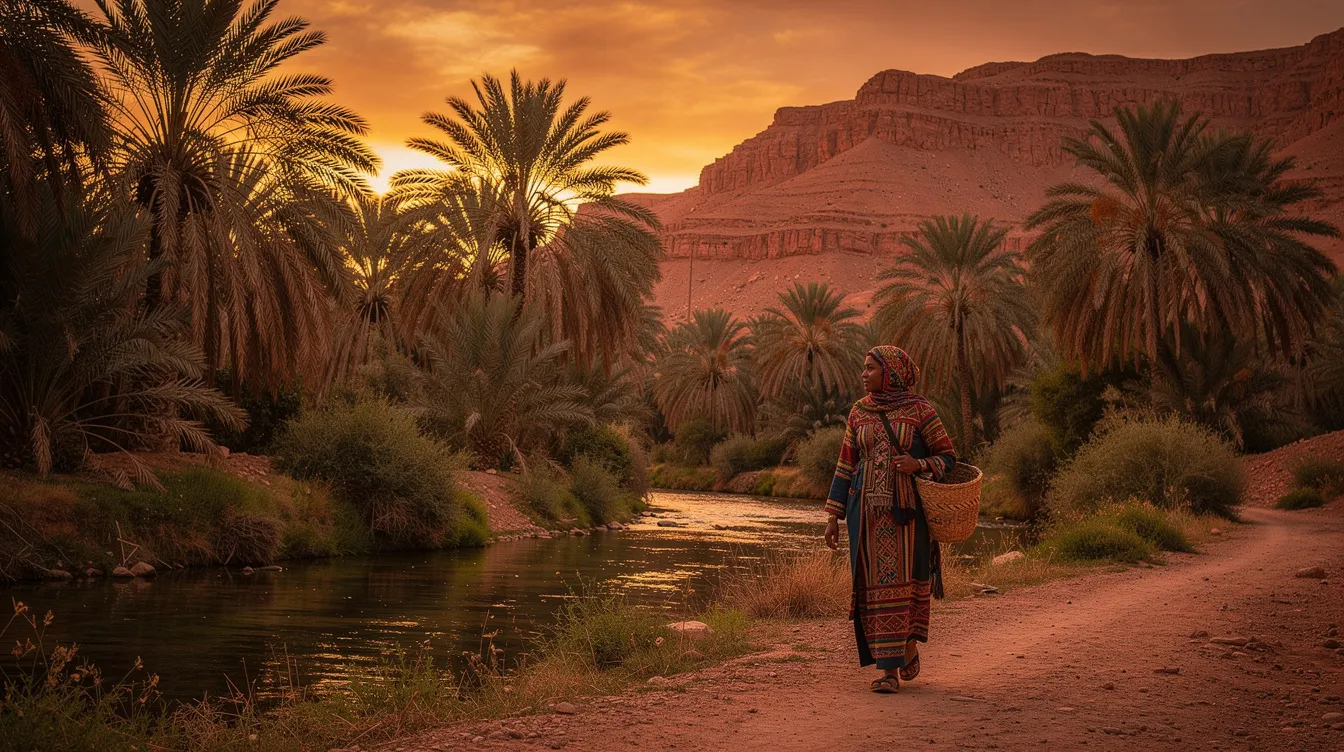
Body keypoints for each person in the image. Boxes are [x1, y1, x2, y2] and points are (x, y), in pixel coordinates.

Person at [824, 346, 957, 693]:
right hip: (863, 513)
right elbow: (845, 464)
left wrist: (920, 465)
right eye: (863, 368)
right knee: (872, 587)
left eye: (870, 368)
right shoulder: (858, 412)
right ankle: (888, 671)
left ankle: (906, 645)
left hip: (906, 515)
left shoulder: (919, 410)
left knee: (902, 584)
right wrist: (833, 516)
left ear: (892, 373)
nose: (863, 374)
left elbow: (948, 456)